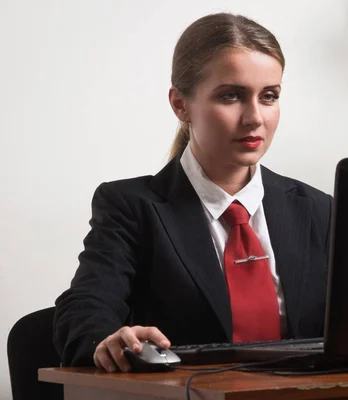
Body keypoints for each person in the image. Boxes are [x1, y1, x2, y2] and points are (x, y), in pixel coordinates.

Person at [53, 12, 332, 373]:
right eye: (231, 96)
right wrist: (108, 339)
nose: (254, 118)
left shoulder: (317, 209)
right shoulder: (131, 208)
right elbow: (85, 308)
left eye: (269, 96)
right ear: (180, 104)